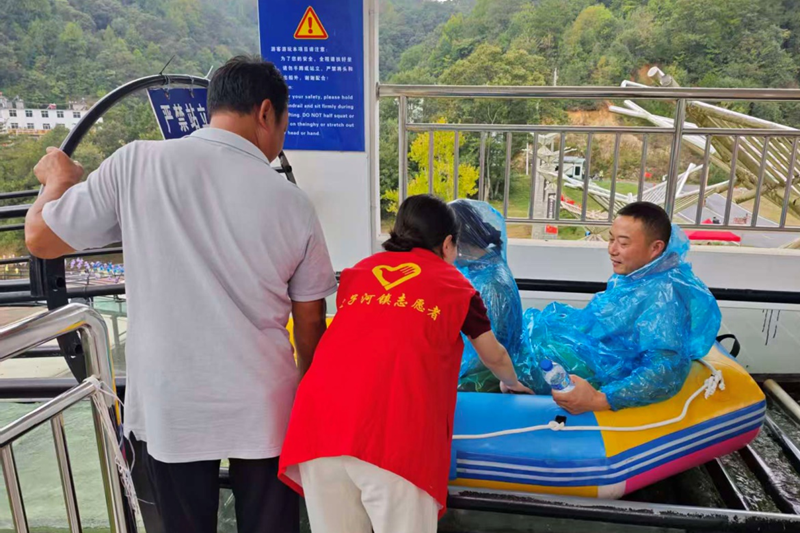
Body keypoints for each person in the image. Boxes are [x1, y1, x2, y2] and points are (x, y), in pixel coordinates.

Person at [25, 56, 336, 533]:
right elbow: (310, 320)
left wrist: (58, 181)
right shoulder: (293, 203)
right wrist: (308, 396)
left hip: (172, 405)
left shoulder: (136, 163)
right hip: (265, 405)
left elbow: (41, 239)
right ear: (266, 112)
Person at [278, 194, 532, 533]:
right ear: (447, 244)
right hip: (393, 437)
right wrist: (512, 383)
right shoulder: (455, 287)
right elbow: (494, 355)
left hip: (318, 430)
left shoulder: (358, 273)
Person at [520, 201, 722, 415]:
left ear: (655, 248)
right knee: (532, 332)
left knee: (525, 357)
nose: (612, 250)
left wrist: (600, 400)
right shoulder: (639, 276)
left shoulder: (664, 296)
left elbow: (665, 372)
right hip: (606, 354)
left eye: (623, 243)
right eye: (611, 239)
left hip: (611, 371)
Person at [449, 199, 525, 392]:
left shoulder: (490, 285)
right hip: (491, 368)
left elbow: (489, 355)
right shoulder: (485, 266)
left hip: (486, 379)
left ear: (457, 242)